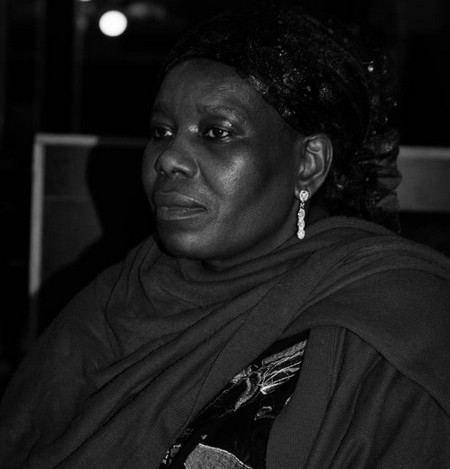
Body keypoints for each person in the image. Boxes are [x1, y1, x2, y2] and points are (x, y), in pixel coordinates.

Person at [1, 4, 450, 468]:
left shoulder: (395, 321)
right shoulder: (123, 296)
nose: (168, 159)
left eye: (217, 132)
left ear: (308, 162)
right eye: (161, 131)